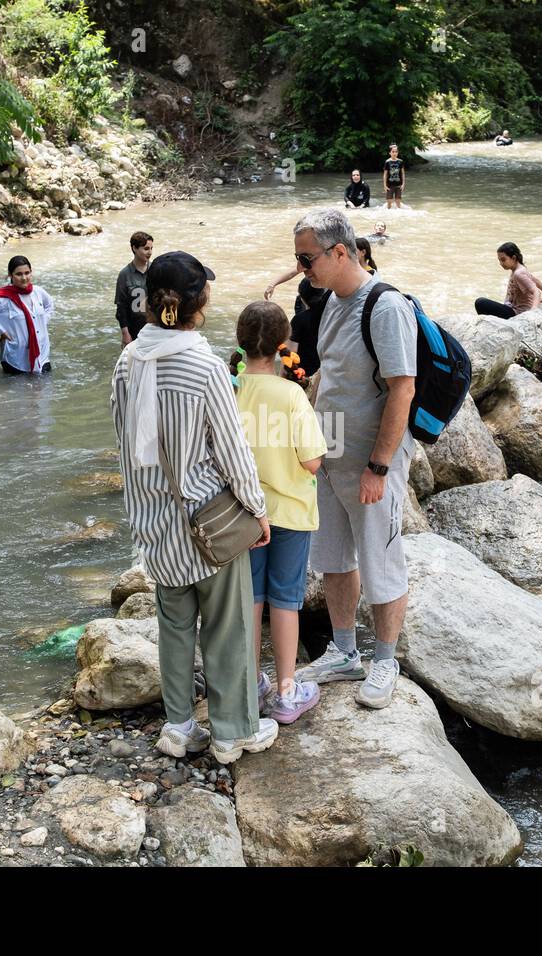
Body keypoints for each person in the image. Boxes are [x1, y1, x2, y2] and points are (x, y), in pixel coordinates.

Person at [110, 251, 278, 763]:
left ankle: (179, 728)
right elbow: (232, 453)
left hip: (153, 523)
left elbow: (123, 442)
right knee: (228, 629)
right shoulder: (203, 365)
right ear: (197, 301)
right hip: (208, 522)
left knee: (175, 628)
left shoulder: (127, 361)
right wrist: (258, 509)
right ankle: (232, 733)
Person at [290, 208, 417, 709]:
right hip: (331, 452)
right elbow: (332, 378)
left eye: (307, 258)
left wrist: (380, 466)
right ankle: (344, 651)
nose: (302, 268)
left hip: (370, 458)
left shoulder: (385, 307)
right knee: (333, 557)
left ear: (340, 252)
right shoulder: (332, 303)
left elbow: (402, 390)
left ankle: (385, 658)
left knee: (380, 557)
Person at [229, 301, 328, 724]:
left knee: (250, 600)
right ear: (282, 344)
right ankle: (287, 693)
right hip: (289, 511)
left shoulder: (228, 388)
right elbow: (311, 462)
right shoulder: (290, 394)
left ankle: (250, 687)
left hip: (242, 513)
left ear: (240, 342)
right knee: (286, 601)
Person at [0, 255, 55, 374]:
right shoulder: (3, 298)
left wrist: (42, 323)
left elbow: (50, 305)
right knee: (17, 392)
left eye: (27, 273)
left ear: (31, 272)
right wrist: (2, 331)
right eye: (19, 274)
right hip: (16, 360)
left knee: (46, 390)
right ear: (10, 275)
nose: (24, 278)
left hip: (42, 357)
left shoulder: (38, 292)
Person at [474, 241, 542, 319]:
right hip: (511, 308)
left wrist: (533, 311)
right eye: (499, 260)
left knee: (480, 302)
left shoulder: (518, 274)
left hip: (516, 314)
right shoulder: (520, 269)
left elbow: (536, 291)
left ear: (513, 258)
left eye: (503, 260)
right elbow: (534, 279)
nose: (501, 263)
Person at [114, 231, 153, 346]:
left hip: (154, 328)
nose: (150, 252)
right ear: (134, 248)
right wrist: (125, 333)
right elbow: (121, 307)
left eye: (151, 248)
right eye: (146, 249)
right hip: (134, 329)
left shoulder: (156, 270)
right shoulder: (125, 274)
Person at [383, 144, 405, 208]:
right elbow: (385, 174)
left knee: (398, 201)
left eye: (396, 152)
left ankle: (398, 215)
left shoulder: (400, 161)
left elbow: (403, 173)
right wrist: (384, 185)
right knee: (389, 201)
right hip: (389, 185)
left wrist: (403, 184)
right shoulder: (387, 162)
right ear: (390, 153)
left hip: (399, 185)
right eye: (393, 152)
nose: (394, 153)